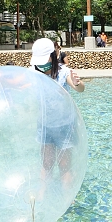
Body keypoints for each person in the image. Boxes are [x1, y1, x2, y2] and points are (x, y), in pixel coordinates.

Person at [30, 38, 84, 186]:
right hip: (45, 125)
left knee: (64, 165)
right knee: (46, 164)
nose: (41, 64)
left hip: (64, 126)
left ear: (54, 55)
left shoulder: (63, 72)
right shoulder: (33, 72)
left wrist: (78, 83)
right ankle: (42, 194)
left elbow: (79, 88)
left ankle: (67, 197)